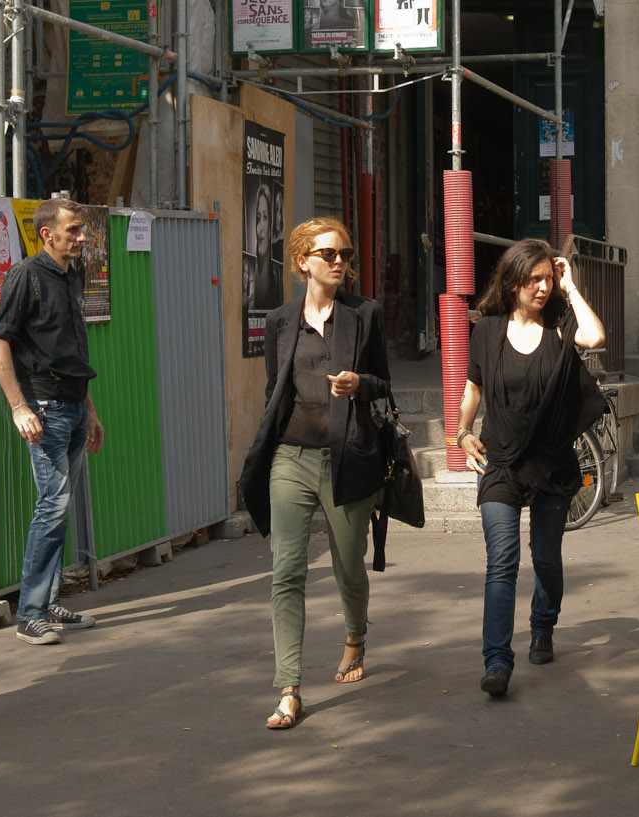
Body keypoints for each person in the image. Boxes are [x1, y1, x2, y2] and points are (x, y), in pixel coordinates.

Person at [240, 217, 392, 730]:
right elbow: (274, 393)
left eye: (346, 255)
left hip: (347, 458)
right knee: (287, 572)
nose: (341, 263)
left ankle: (354, 635)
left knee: (350, 567)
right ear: (303, 260)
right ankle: (289, 689)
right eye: (330, 254)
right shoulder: (280, 321)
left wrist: (359, 383)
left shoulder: (365, 314)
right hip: (290, 458)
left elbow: (384, 385)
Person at [455, 238, 608, 698]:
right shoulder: (487, 330)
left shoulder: (561, 326)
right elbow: (473, 390)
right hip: (499, 460)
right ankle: (498, 661)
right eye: (535, 279)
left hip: (552, 461)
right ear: (513, 280)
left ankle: (543, 625)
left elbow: (595, 337)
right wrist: (461, 433)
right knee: (502, 562)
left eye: (548, 278)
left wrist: (571, 286)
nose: (543, 287)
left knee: (545, 557)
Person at [0, 198, 106, 646]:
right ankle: (30, 613)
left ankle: (49, 602)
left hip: (73, 404)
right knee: (52, 505)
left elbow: (71, 349)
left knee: (61, 506)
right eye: (73, 230)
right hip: (44, 407)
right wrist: (20, 407)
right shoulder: (26, 276)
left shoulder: (72, 275)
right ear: (46, 235)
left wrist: (90, 411)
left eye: (81, 230)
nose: (81, 236)